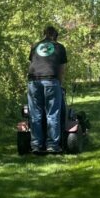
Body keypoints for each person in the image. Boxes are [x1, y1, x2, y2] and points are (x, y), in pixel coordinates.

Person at [27, 26, 67, 155]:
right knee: (53, 113)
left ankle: (36, 145)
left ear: (44, 34)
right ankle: (52, 145)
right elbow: (61, 69)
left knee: (35, 115)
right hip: (51, 80)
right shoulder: (59, 47)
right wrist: (60, 84)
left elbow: (32, 64)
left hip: (34, 80)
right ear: (55, 36)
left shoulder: (35, 47)